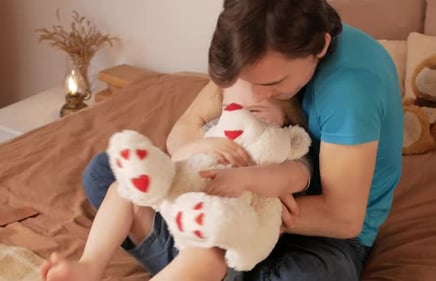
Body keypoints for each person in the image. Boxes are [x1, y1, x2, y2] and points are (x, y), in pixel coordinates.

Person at [41, 0, 403, 280]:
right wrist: (193, 160)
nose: (256, 96)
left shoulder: (351, 89)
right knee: (107, 173)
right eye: (242, 83)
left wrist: (247, 209)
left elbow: (342, 219)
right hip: (216, 197)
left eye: (274, 85)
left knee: (310, 275)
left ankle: (203, 263)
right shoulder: (252, 44)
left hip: (315, 229)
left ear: (321, 47)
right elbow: (182, 131)